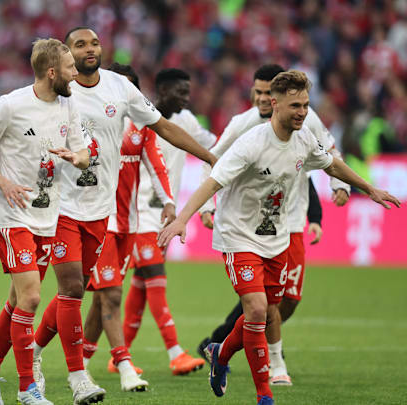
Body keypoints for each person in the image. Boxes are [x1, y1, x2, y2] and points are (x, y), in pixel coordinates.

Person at [158, 70, 400, 405]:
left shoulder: (304, 139)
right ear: (275, 104)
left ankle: (220, 353)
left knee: (267, 310)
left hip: (277, 239)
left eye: (305, 105)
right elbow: (212, 182)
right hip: (239, 237)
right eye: (295, 106)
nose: (302, 112)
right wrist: (184, 219)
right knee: (257, 309)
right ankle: (265, 395)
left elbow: (331, 165)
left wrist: (369, 188)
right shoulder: (251, 143)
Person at [31, 27, 216, 401]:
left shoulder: (120, 88)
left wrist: (210, 158)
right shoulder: (57, 91)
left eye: (94, 42)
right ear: (66, 54)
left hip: (106, 212)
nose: (89, 49)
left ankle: (28, 353)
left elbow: (162, 127)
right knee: (80, 291)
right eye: (80, 44)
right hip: (63, 207)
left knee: (80, 292)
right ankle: (87, 373)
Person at [195, 64, 350, 385]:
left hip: (289, 221)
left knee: (285, 300)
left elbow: (320, 159)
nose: (263, 98)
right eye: (259, 92)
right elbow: (213, 161)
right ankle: (274, 362)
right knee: (262, 303)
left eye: (268, 92)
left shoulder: (305, 121)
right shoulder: (243, 126)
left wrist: (334, 195)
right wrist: (206, 207)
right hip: (248, 227)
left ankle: (225, 344)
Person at [0, 38, 89, 405]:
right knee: (33, 296)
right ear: (52, 72)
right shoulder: (10, 106)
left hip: (47, 217)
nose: (75, 72)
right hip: (12, 215)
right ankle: (26, 388)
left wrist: (76, 158)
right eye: (69, 67)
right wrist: (2, 182)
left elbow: (84, 154)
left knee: (17, 300)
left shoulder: (69, 106)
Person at [80, 63, 174, 392]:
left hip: (127, 225)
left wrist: (169, 203)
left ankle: (78, 368)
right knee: (112, 294)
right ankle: (124, 366)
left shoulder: (141, 127)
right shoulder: (90, 121)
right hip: (97, 221)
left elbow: (156, 163)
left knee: (99, 301)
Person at [123, 68, 214, 376]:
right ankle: (176, 353)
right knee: (156, 281)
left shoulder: (186, 121)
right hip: (139, 218)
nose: (186, 99)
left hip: (163, 217)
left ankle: (118, 355)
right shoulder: (137, 118)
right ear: (161, 91)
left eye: (188, 93)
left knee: (141, 285)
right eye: (180, 93)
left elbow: (216, 144)